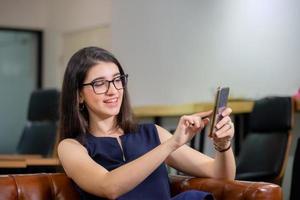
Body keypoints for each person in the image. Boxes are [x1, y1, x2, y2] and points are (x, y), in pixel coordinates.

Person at [58, 46, 236, 200]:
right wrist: (171, 144)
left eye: (117, 80)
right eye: (100, 83)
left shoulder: (153, 133)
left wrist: (223, 145)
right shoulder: (71, 147)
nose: (112, 90)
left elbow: (221, 174)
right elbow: (109, 187)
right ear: (79, 94)